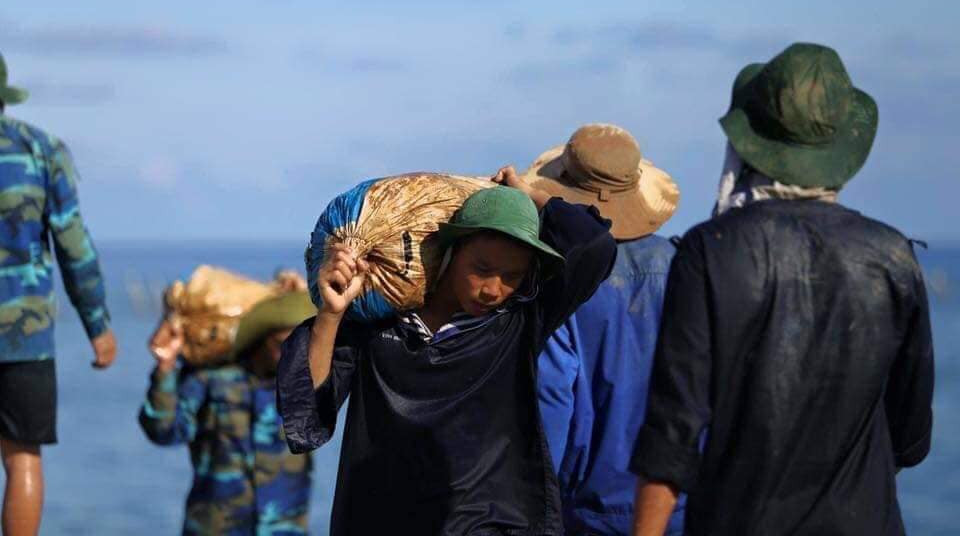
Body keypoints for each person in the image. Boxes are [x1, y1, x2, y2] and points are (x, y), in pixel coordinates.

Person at [630, 43, 935, 536]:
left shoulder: (710, 251)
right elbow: (911, 436)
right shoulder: (893, 256)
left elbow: (673, 431)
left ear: (748, 146)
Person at [278, 167, 617, 535]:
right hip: (384, 519)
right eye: (482, 268)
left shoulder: (518, 323)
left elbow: (594, 244)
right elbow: (309, 411)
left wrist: (527, 194)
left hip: (493, 522)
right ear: (449, 252)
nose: (493, 290)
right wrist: (331, 315)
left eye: (512, 276)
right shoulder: (379, 327)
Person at [527, 124, 684, 535]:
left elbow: (553, 398)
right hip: (680, 501)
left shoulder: (566, 280)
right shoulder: (684, 265)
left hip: (592, 511)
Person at [0, 52, 115, 536]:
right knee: (22, 457)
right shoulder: (41, 149)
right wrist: (98, 325)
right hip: (24, 338)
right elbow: (73, 246)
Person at [139, 288, 317, 535]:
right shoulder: (213, 377)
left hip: (285, 528)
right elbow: (165, 431)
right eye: (281, 345)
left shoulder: (305, 383)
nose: (289, 354)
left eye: (298, 346)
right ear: (262, 339)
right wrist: (165, 367)